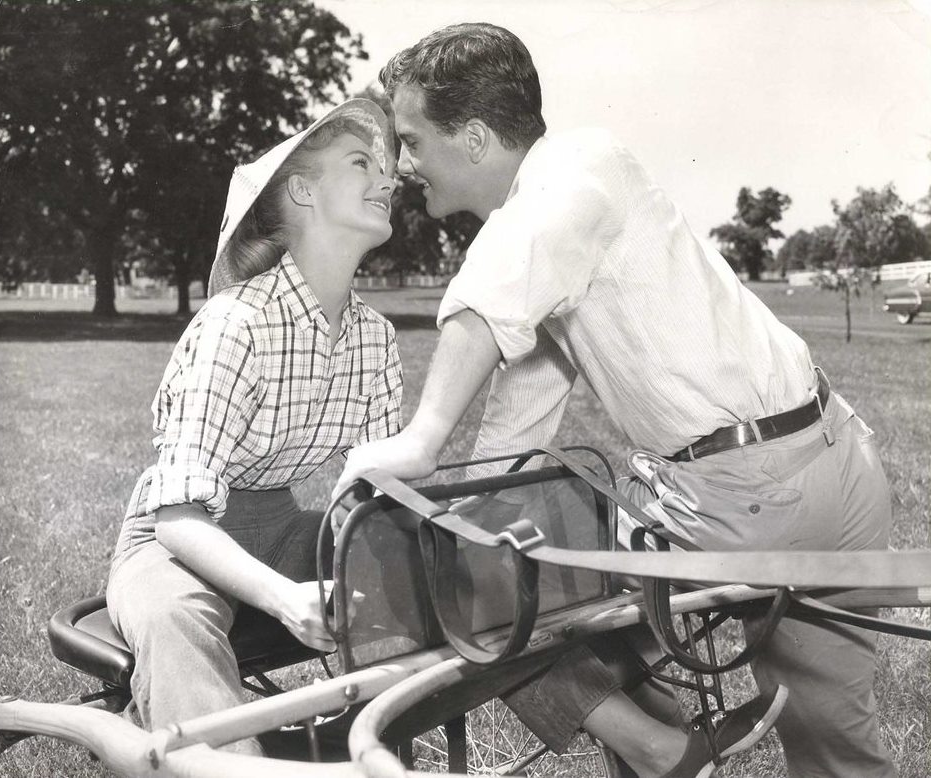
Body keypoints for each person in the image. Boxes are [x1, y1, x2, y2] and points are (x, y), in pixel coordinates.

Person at [335, 23, 895, 778]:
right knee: (834, 742)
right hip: (833, 462)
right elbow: (519, 410)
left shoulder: (568, 174)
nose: (403, 166)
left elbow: (496, 282)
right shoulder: (578, 204)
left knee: (494, 598)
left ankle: (659, 749)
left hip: (745, 497)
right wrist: (468, 513)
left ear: (471, 137)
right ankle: (663, 746)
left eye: (409, 140)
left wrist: (423, 436)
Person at [106, 99, 403, 755]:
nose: (388, 180)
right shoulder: (234, 323)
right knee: (176, 620)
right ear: (303, 191)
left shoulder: (376, 337)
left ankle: (382, 745)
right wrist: (284, 599)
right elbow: (177, 518)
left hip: (282, 525)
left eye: (385, 167)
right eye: (363, 164)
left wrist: (402, 553)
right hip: (174, 540)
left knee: (434, 561)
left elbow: (377, 494)